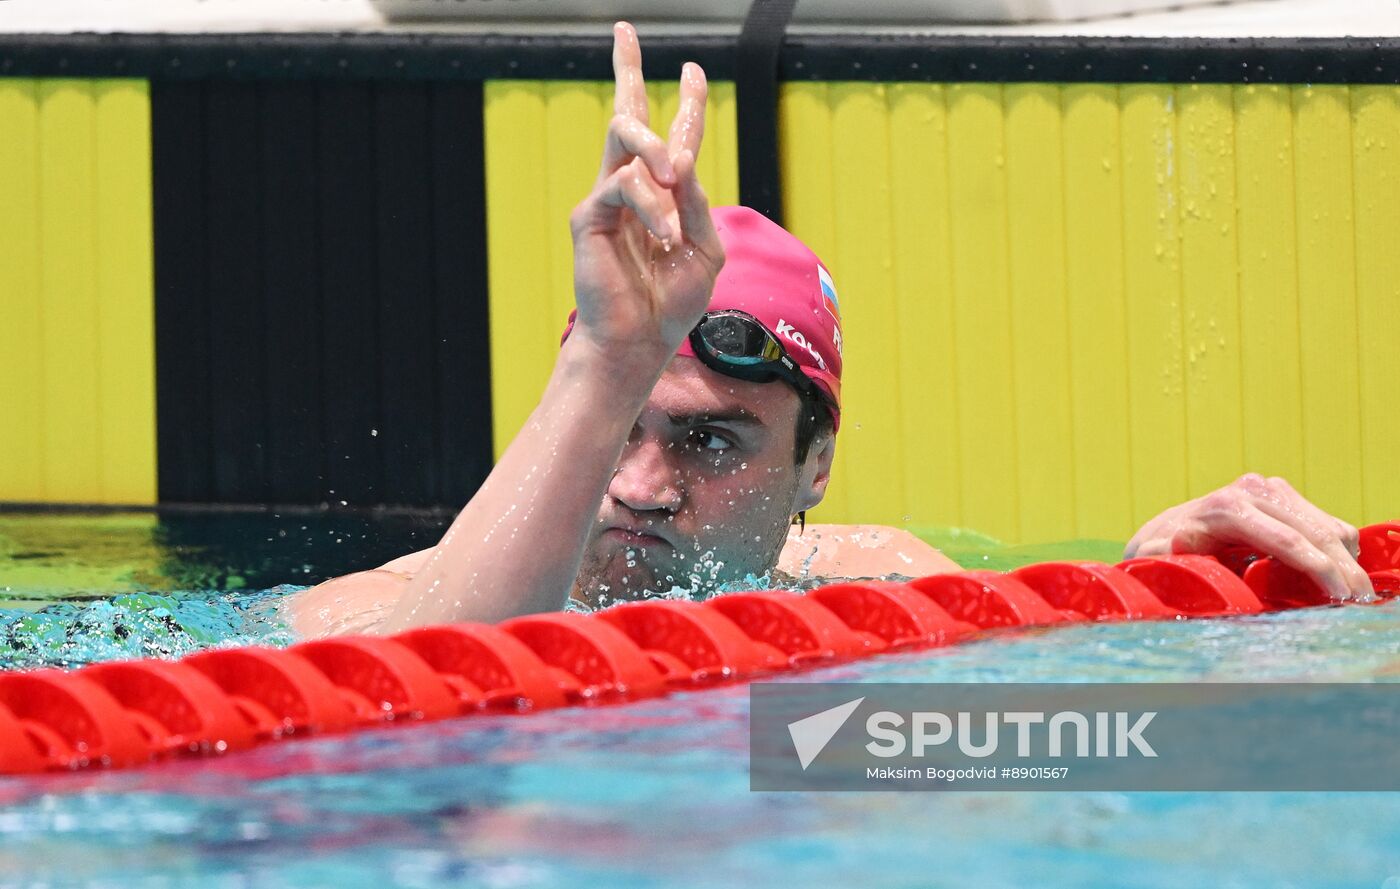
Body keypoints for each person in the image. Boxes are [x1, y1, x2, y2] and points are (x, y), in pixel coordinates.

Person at [286, 22, 1373, 639]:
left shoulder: (881, 578)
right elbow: (438, 690)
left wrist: (1157, 587)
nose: (641, 483)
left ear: (815, 465)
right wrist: (606, 361)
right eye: (626, 423)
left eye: (712, 441)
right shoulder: (369, 610)